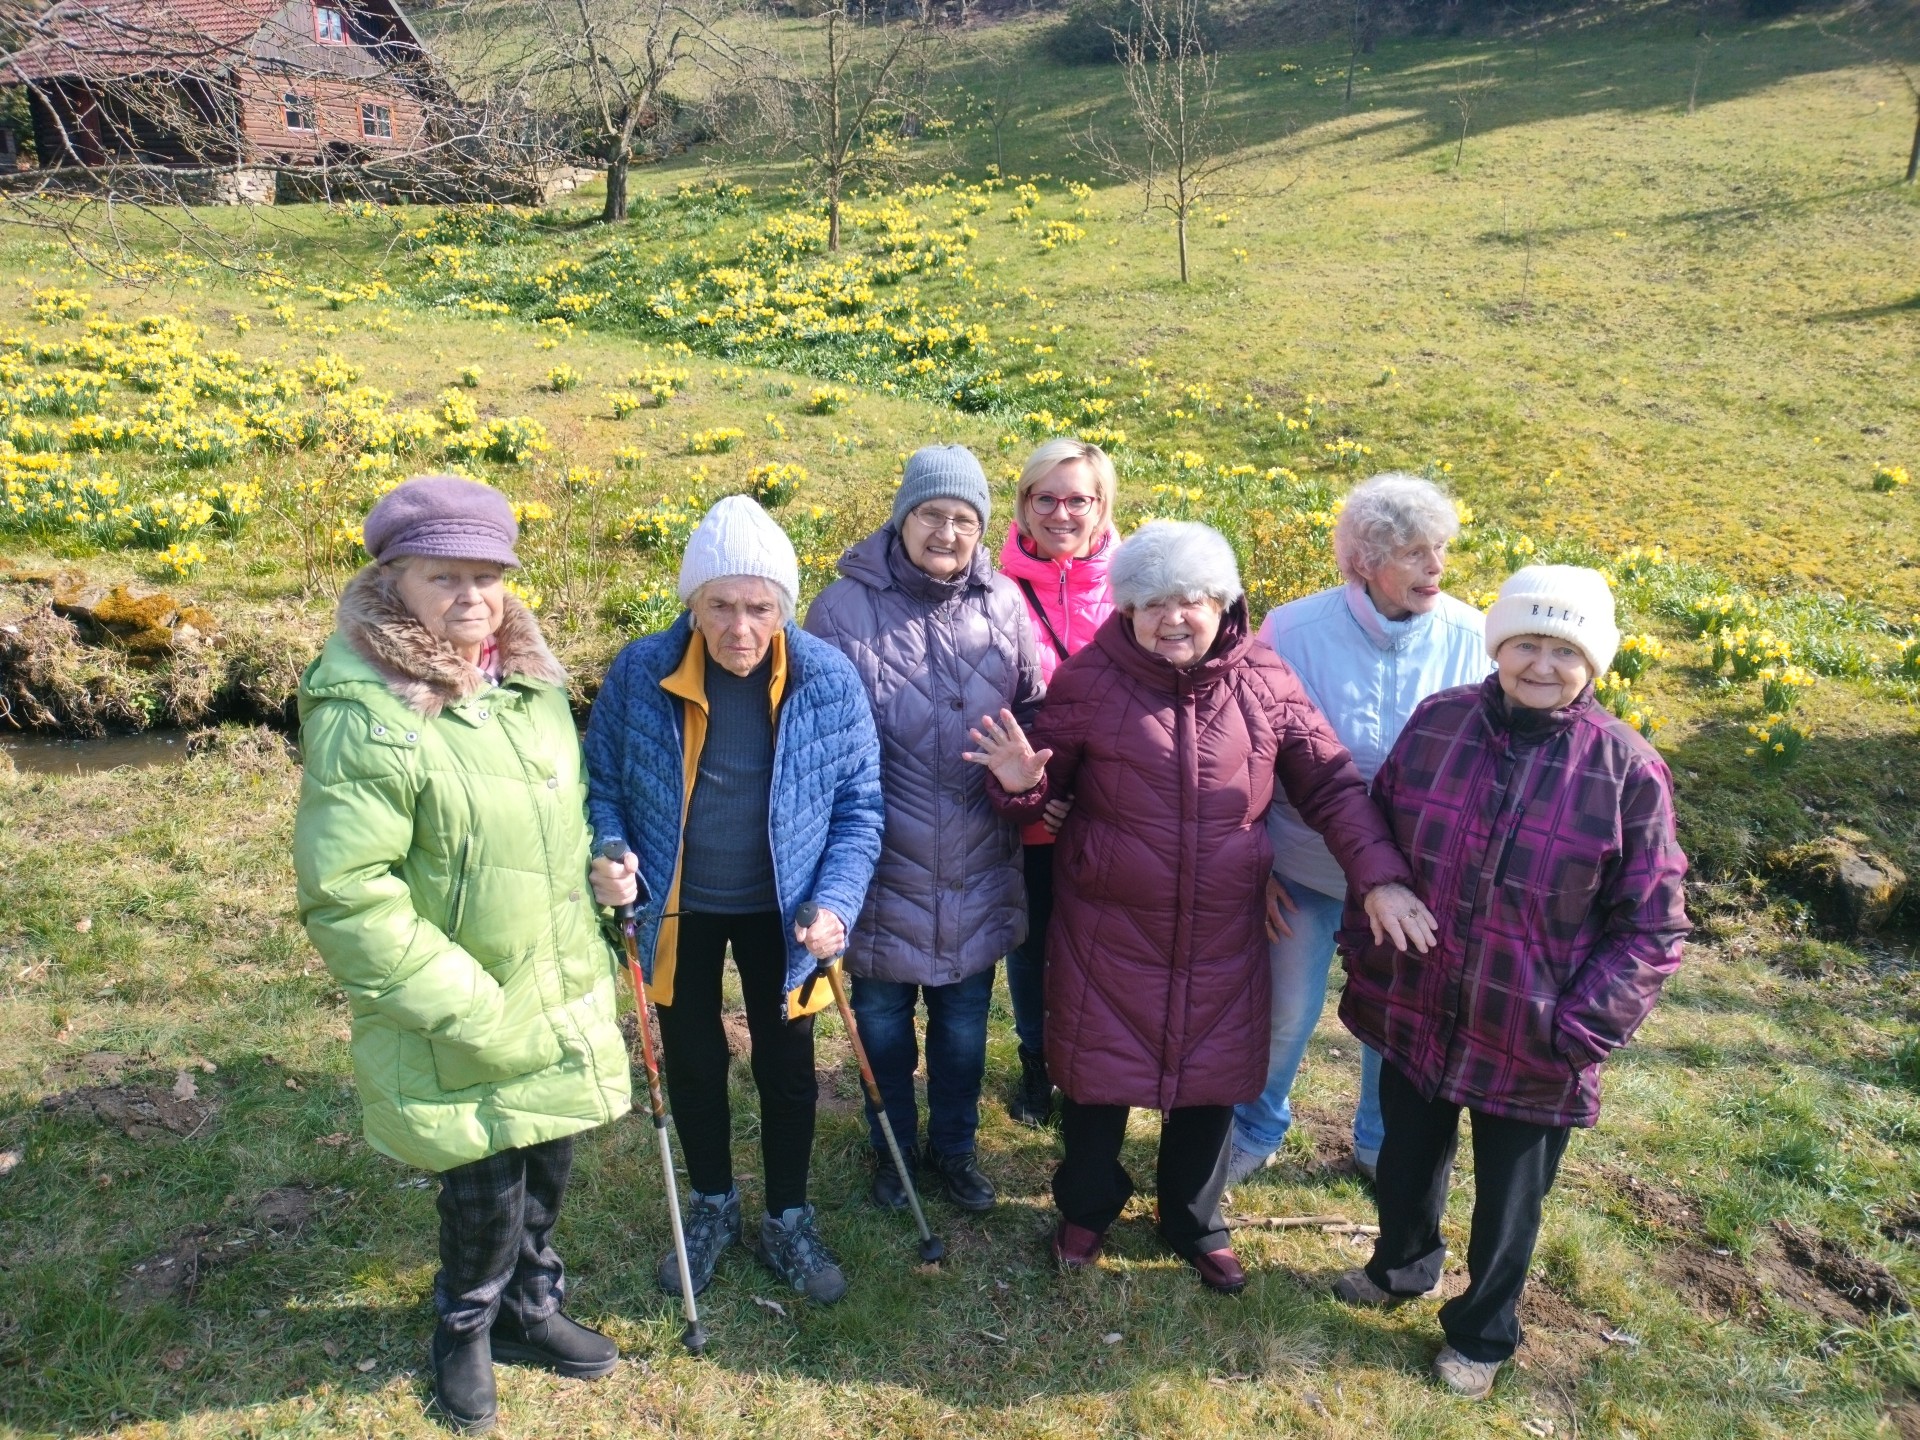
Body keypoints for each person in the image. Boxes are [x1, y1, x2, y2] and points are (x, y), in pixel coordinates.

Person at [969, 520, 1436, 1293]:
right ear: (1127, 610)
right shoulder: (1091, 681)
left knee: (1211, 1079)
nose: (1173, 618)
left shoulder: (1266, 680)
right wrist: (1021, 787)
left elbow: (1329, 784)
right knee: (1095, 1077)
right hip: (1110, 924)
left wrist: (1378, 876)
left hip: (1225, 923)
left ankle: (1191, 1218)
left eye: (1191, 600)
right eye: (1153, 603)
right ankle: (1087, 1208)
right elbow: (1039, 784)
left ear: (1224, 603)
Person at [293, 475, 630, 1435]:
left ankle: (530, 1308)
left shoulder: (529, 685)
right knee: (483, 1189)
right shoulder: (368, 708)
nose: (472, 597)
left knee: (547, 1163)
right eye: (445, 577)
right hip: (461, 1004)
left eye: (487, 575)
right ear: (393, 580)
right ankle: (466, 1329)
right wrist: (471, 1004)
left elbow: (557, 816)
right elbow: (348, 892)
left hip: (554, 985)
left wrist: (601, 870)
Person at [1333, 564, 1689, 1399]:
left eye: (1564, 650)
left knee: (1509, 1200)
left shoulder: (1626, 770)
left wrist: (1580, 1030)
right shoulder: (1439, 723)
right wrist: (1368, 938)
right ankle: (1401, 1267)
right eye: (1526, 642)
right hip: (1418, 1000)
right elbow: (1378, 836)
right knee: (1405, 1159)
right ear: (1497, 645)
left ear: (1592, 663)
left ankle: (1483, 1331)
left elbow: (1653, 925)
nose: (1541, 665)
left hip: (1532, 1030)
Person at [583, 496, 884, 1307]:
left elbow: (860, 810)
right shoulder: (640, 671)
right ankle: (712, 1204)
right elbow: (601, 783)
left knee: (787, 1066)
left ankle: (787, 1216)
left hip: (786, 913)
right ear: (692, 604)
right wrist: (609, 849)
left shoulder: (827, 678)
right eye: (720, 606)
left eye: (758, 608)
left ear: (783, 609)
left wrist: (837, 903)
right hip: (678, 903)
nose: (739, 628)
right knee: (692, 1057)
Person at [1228, 473, 1493, 1186]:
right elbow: (1251, 754)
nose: (1436, 567)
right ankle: (1254, 1126)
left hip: (1416, 879)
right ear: (1365, 561)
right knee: (1285, 1012)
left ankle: (1381, 1143)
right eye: (1413, 552)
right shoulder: (1293, 629)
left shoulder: (1473, 637)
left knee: (1397, 1019)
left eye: (1440, 549)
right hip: (1304, 865)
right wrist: (1256, 863)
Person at [805, 443, 1043, 1214]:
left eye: (964, 519)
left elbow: (1034, 712)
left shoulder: (1004, 604)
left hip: (977, 859)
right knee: (881, 1021)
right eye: (932, 515)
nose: (947, 533)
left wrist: (1027, 772)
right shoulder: (841, 610)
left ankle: (956, 1149)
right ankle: (893, 1151)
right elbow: (815, 740)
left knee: (964, 1025)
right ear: (903, 518)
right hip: (879, 863)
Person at [997, 438, 1119, 1127]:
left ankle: (1095, 1067)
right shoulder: (996, 589)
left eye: (1078, 499)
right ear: (1024, 504)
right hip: (1034, 807)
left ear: (1102, 505)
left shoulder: (1135, 588)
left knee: (1107, 945)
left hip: (1114, 811)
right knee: (1034, 943)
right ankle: (1037, 1063)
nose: (1061, 513)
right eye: (1045, 497)